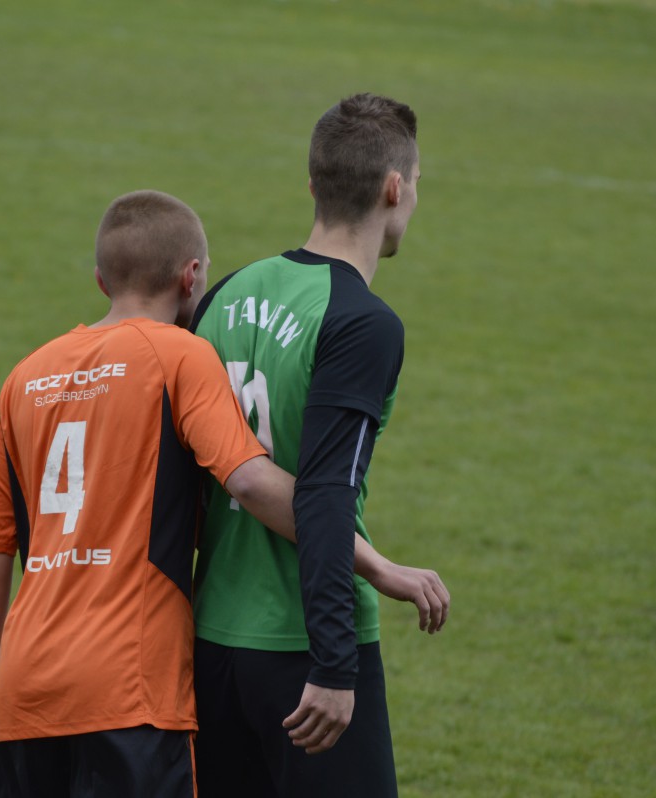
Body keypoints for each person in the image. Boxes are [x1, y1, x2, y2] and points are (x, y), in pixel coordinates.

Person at [0, 189, 448, 798]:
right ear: (191, 277)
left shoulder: (25, 377)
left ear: (101, 280)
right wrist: (374, 563)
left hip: (22, 692)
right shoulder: (180, 355)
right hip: (131, 692)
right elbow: (248, 479)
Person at [191, 93, 442, 797]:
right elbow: (327, 494)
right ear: (394, 189)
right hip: (303, 650)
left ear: (314, 184)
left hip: (209, 641)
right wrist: (335, 664)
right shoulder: (362, 323)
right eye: (417, 182)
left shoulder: (225, 293)